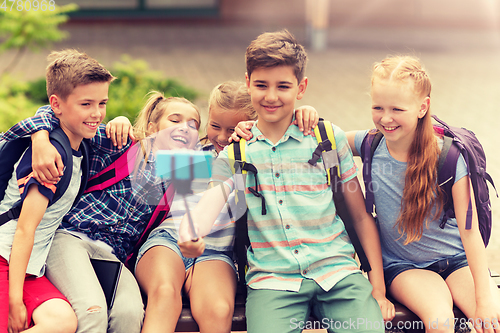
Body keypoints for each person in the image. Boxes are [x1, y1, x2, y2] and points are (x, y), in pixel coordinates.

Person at [178, 30, 394, 333]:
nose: (271, 96)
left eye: (283, 86)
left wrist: (378, 288)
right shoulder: (238, 151)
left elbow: (359, 215)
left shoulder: (326, 139)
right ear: (249, 82)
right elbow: (210, 201)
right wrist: (191, 233)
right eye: (261, 85)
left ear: (301, 87)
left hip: (339, 273)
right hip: (272, 281)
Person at [129, 80, 319, 333]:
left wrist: (301, 114)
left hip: (216, 253)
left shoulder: (256, 159)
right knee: (164, 294)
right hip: (168, 241)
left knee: (218, 310)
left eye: (231, 129)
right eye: (215, 125)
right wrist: (120, 122)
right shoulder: (194, 152)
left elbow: (292, 149)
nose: (221, 136)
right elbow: (145, 144)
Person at [347, 55, 500, 333]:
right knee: (441, 322)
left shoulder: (451, 157)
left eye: (397, 109)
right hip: (405, 266)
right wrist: (304, 112)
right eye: (378, 107)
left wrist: (484, 299)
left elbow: (469, 231)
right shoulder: (370, 144)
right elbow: (323, 137)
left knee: (494, 320)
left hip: (457, 260)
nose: (386, 118)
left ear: (422, 107)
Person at [0, 49, 112, 333]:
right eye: (86, 104)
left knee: (62, 321)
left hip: (28, 266)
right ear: (57, 105)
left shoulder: (79, 140)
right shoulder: (51, 158)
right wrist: (15, 300)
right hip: (6, 257)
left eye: (102, 103)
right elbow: (25, 229)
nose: (96, 113)